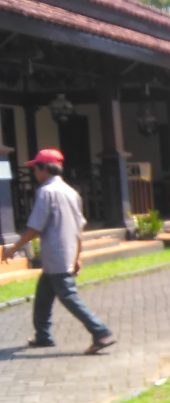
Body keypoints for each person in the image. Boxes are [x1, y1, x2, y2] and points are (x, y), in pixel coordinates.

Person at [0, 148, 115, 354]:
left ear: (44, 169)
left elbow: (36, 227)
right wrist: (77, 256)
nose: (34, 172)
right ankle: (43, 336)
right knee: (44, 295)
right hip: (66, 254)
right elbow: (79, 228)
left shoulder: (46, 192)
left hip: (56, 255)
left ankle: (100, 331)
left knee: (68, 296)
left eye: (36, 168)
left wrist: (13, 249)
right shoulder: (72, 192)